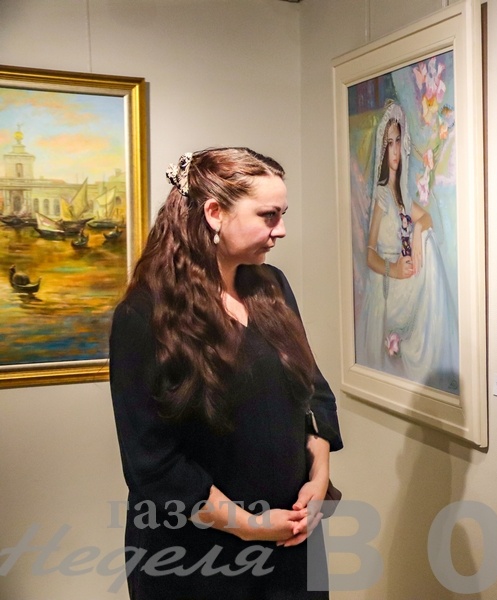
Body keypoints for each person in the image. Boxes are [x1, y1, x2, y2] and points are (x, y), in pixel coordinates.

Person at [109, 147, 342, 599]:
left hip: (290, 540)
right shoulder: (144, 316)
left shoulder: (272, 287)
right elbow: (154, 465)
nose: (281, 229)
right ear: (214, 213)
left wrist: (318, 478)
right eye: (268, 215)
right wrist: (251, 526)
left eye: (283, 214)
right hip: (195, 557)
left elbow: (313, 392)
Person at [355, 100, 459, 394]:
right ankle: (431, 362)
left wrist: (416, 233)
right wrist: (395, 269)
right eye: (389, 143)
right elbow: (369, 254)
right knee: (427, 245)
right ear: (383, 149)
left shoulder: (400, 195)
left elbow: (426, 218)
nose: (395, 150)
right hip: (388, 285)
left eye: (398, 141)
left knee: (426, 238)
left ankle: (437, 359)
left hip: (404, 277)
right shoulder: (381, 196)